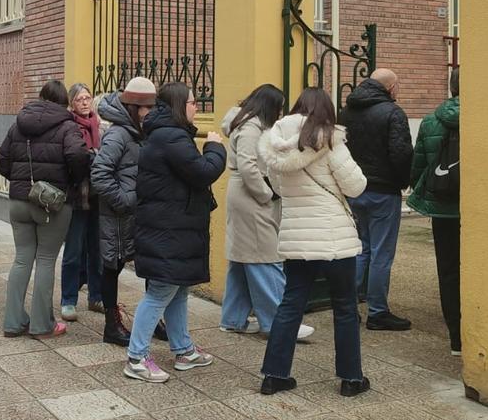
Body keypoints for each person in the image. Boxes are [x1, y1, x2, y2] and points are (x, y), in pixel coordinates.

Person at [256, 87, 370, 397]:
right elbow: (356, 186)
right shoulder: (330, 140)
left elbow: (278, 187)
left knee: (291, 303)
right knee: (345, 306)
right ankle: (351, 379)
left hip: (297, 237)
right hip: (334, 237)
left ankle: (274, 375)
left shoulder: (276, 147)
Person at [124, 82, 226, 383]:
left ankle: (183, 350)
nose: (197, 107)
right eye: (193, 102)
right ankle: (136, 357)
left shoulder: (168, 135)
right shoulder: (171, 138)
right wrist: (215, 148)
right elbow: (204, 171)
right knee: (159, 293)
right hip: (168, 231)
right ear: (180, 105)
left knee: (178, 290)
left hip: (173, 228)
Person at [218, 84, 315, 342]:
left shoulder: (246, 123)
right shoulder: (250, 127)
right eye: (279, 107)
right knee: (265, 257)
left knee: (243, 260)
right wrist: (267, 194)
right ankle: (279, 323)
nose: (281, 113)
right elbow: (249, 166)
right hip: (251, 196)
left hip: (245, 195)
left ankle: (233, 319)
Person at [0, 81, 91, 337]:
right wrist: (70, 183)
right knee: (47, 261)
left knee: (21, 259)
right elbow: (78, 157)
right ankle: (42, 324)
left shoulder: (18, 124)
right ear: (63, 102)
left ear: (40, 98)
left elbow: (3, 160)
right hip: (52, 203)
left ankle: (13, 322)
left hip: (19, 201)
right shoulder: (67, 125)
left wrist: (19, 182)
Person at [339, 68, 414, 331]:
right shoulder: (393, 113)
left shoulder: (346, 111)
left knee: (361, 249)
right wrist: (403, 181)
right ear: (390, 88)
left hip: (354, 189)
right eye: (397, 85)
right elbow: (401, 154)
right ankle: (378, 312)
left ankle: (348, 308)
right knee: (382, 253)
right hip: (383, 191)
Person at [91, 77, 156, 346]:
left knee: (150, 265)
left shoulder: (140, 131)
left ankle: (153, 319)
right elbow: (99, 175)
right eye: (146, 108)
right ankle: (111, 325)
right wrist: (126, 200)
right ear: (134, 108)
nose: (150, 113)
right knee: (113, 267)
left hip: (137, 214)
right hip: (118, 216)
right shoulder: (119, 134)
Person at [408, 68, 462, 355]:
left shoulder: (430, 121)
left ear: (451, 87)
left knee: (448, 270)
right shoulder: (486, 118)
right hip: (474, 208)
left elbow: (419, 165)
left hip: (441, 208)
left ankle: (456, 336)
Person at [59, 82, 104, 321]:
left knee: (97, 250)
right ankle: (68, 300)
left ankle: (96, 296)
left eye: (88, 97)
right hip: (76, 198)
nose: (85, 102)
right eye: (80, 99)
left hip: (98, 196)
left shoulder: (100, 125)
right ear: (71, 104)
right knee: (74, 251)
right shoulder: (68, 127)